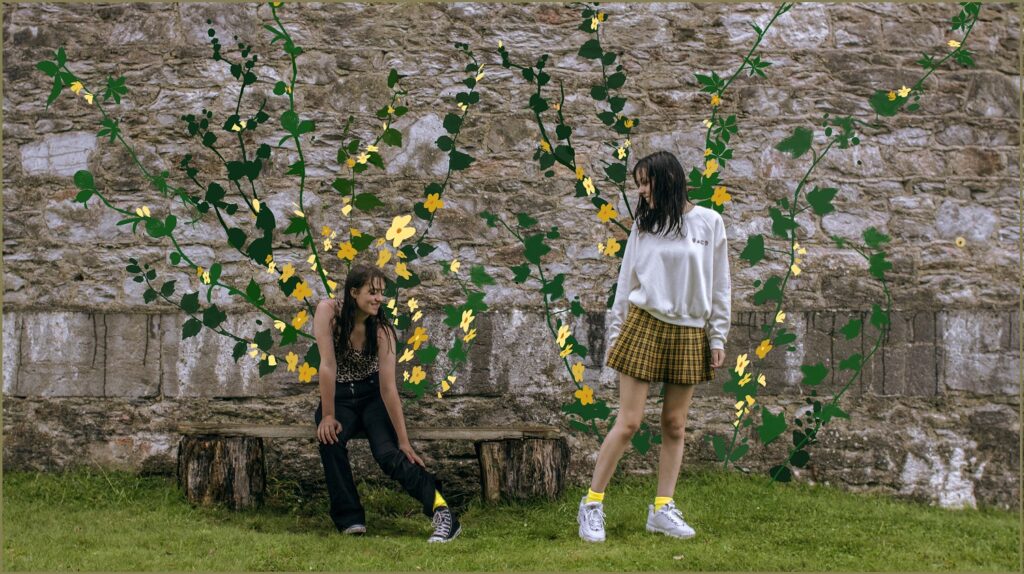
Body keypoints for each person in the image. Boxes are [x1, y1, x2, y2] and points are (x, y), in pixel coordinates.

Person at [578, 150, 731, 542]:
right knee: (628, 422)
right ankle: (592, 503)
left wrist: (717, 335)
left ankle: (662, 510)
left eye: (646, 183)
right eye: (638, 185)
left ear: (668, 179)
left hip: (690, 330)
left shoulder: (710, 222)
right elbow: (626, 283)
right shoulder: (644, 227)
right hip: (645, 325)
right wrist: (615, 335)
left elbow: (720, 285)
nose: (642, 191)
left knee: (674, 425)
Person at [312, 264, 461, 543]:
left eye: (382, 293)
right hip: (340, 396)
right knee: (329, 439)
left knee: (389, 455)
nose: (379, 298)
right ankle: (350, 518)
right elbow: (328, 366)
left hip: (372, 397)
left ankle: (443, 511)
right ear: (353, 292)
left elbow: (388, 388)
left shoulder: (382, 331)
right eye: (372, 292)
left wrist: (403, 441)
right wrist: (328, 415)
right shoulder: (328, 312)